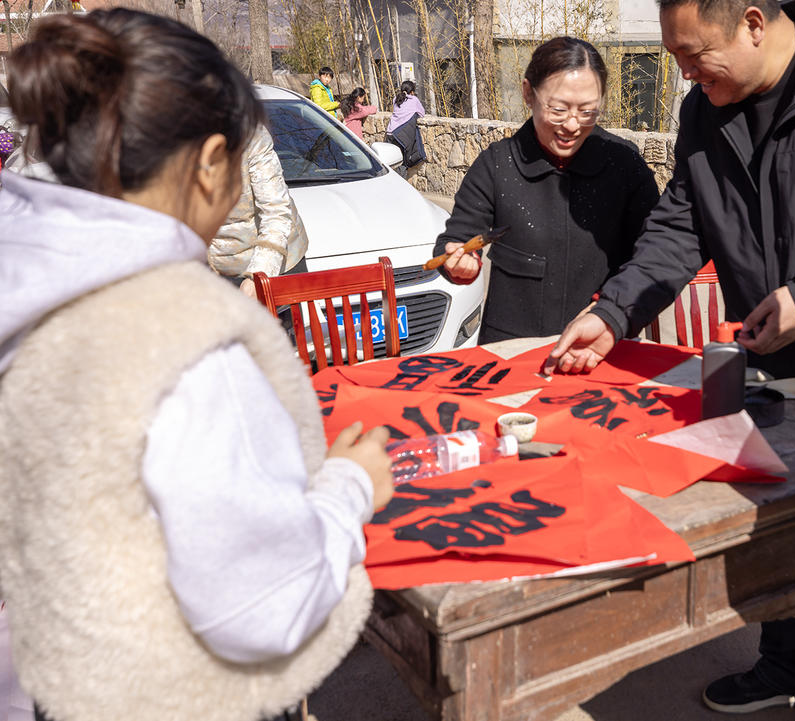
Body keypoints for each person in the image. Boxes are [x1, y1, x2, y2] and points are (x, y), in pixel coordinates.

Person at [542, 0, 795, 716]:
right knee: (773, 522)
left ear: (754, 22)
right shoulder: (705, 111)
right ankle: (790, 661)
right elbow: (679, 225)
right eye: (677, 57)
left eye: (694, 54)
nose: (685, 72)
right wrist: (613, 310)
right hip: (777, 363)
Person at [0, 10, 393, 721]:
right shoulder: (182, 340)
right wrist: (349, 488)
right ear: (212, 162)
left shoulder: (26, 279)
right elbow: (262, 601)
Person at [431, 36, 660, 342]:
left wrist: (612, 309)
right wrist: (456, 262)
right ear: (528, 93)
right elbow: (457, 238)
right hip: (512, 349)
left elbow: (654, 250)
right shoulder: (498, 164)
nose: (572, 125)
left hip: (604, 342)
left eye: (587, 111)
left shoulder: (624, 164)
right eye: (559, 109)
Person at [210, 123, 310, 298]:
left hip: (274, 263)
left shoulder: (250, 135)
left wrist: (259, 274)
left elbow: (276, 211)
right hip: (217, 271)